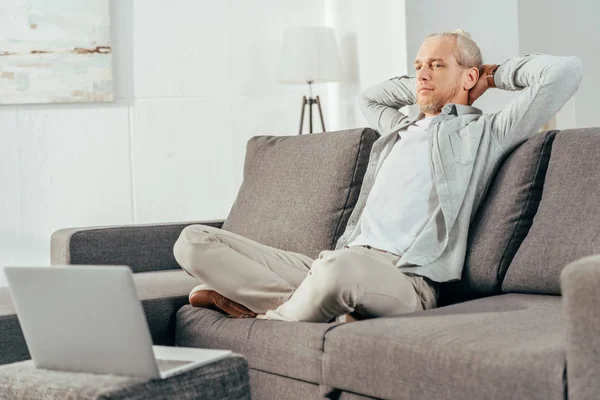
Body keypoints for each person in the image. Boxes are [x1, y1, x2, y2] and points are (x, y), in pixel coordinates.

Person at [173, 30, 583, 323]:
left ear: (468, 77)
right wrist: (430, 82)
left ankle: (271, 318)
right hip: (337, 260)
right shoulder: (397, 129)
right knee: (193, 241)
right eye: (418, 65)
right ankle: (316, 307)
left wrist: (490, 75)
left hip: (405, 279)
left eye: (437, 65)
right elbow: (369, 96)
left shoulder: (485, 133)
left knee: (337, 270)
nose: (422, 74)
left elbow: (564, 72)